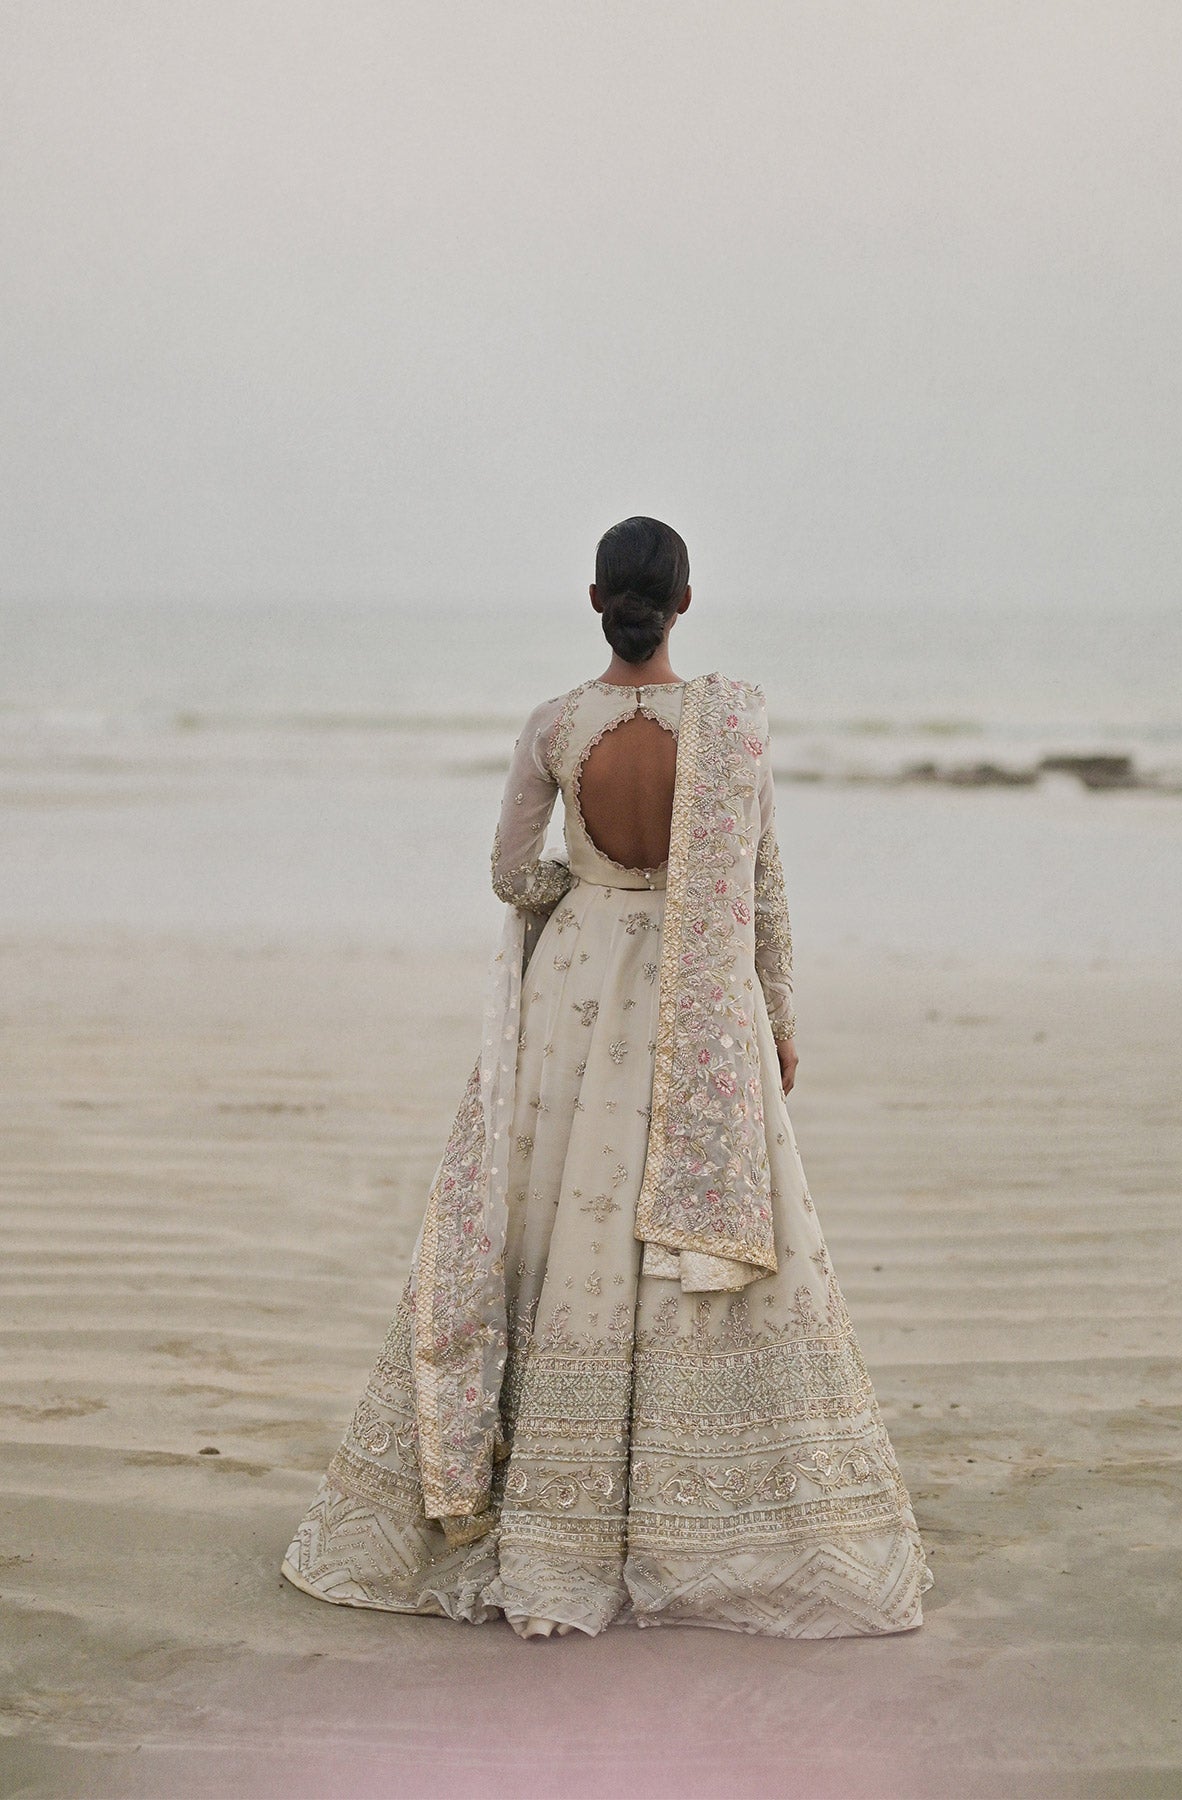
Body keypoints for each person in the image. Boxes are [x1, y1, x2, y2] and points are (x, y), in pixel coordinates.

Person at [281, 517, 931, 1638]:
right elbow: (762, 884)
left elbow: (503, 872)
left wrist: (575, 902)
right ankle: (712, 1516)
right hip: (699, 995)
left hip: (575, 989)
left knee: (551, 1226)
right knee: (681, 1235)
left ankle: (542, 1503)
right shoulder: (730, 728)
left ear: (596, 598)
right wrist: (774, 1014)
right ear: (686, 599)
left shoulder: (555, 725)